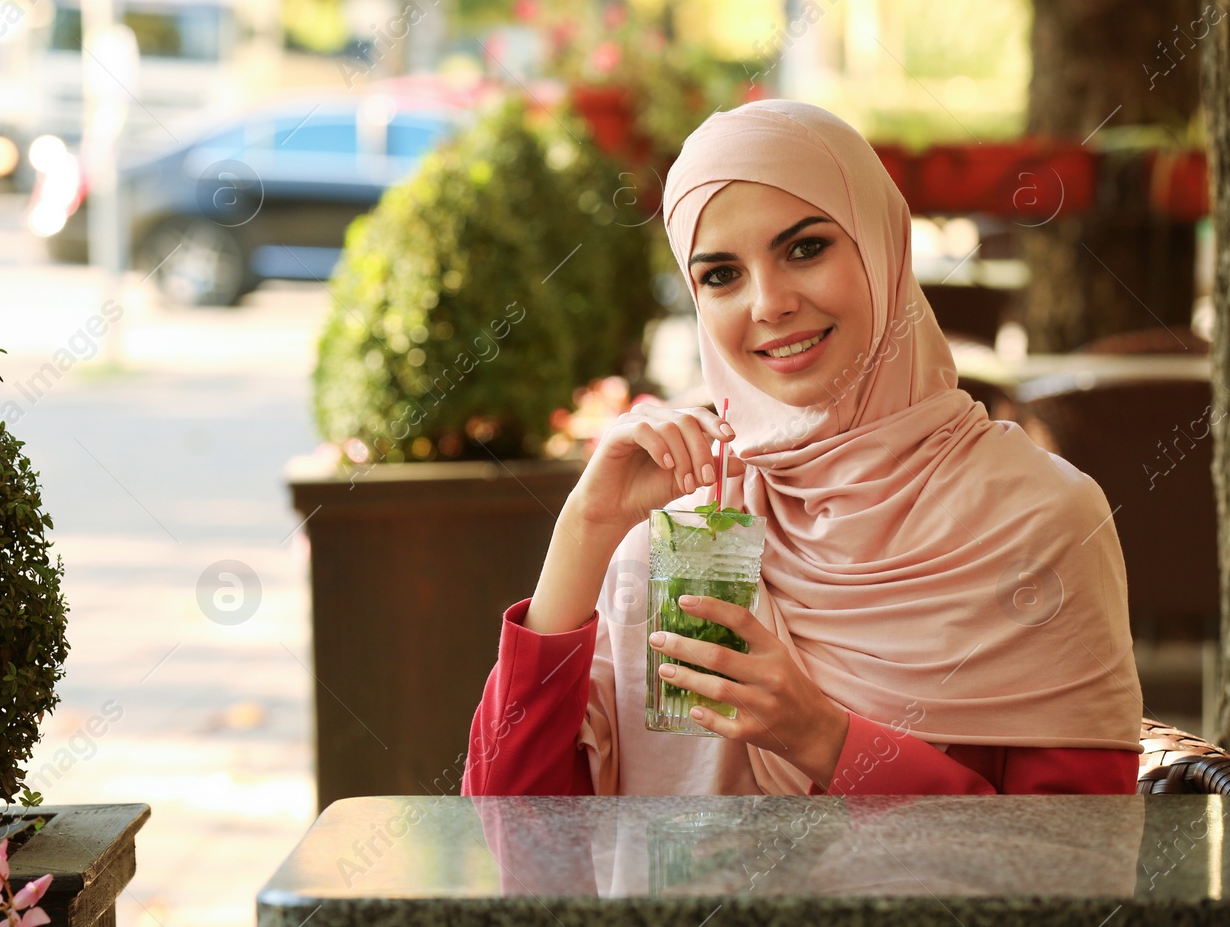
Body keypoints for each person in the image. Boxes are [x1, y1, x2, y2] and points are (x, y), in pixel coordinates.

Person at [462, 100, 1143, 797]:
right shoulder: (686, 538)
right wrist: (587, 529)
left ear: (882, 248)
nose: (770, 302)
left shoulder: (1043, 519)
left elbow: (1078, 865)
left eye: (805, 247)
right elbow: (508, 826)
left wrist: (822, 736)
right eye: (721, 275)